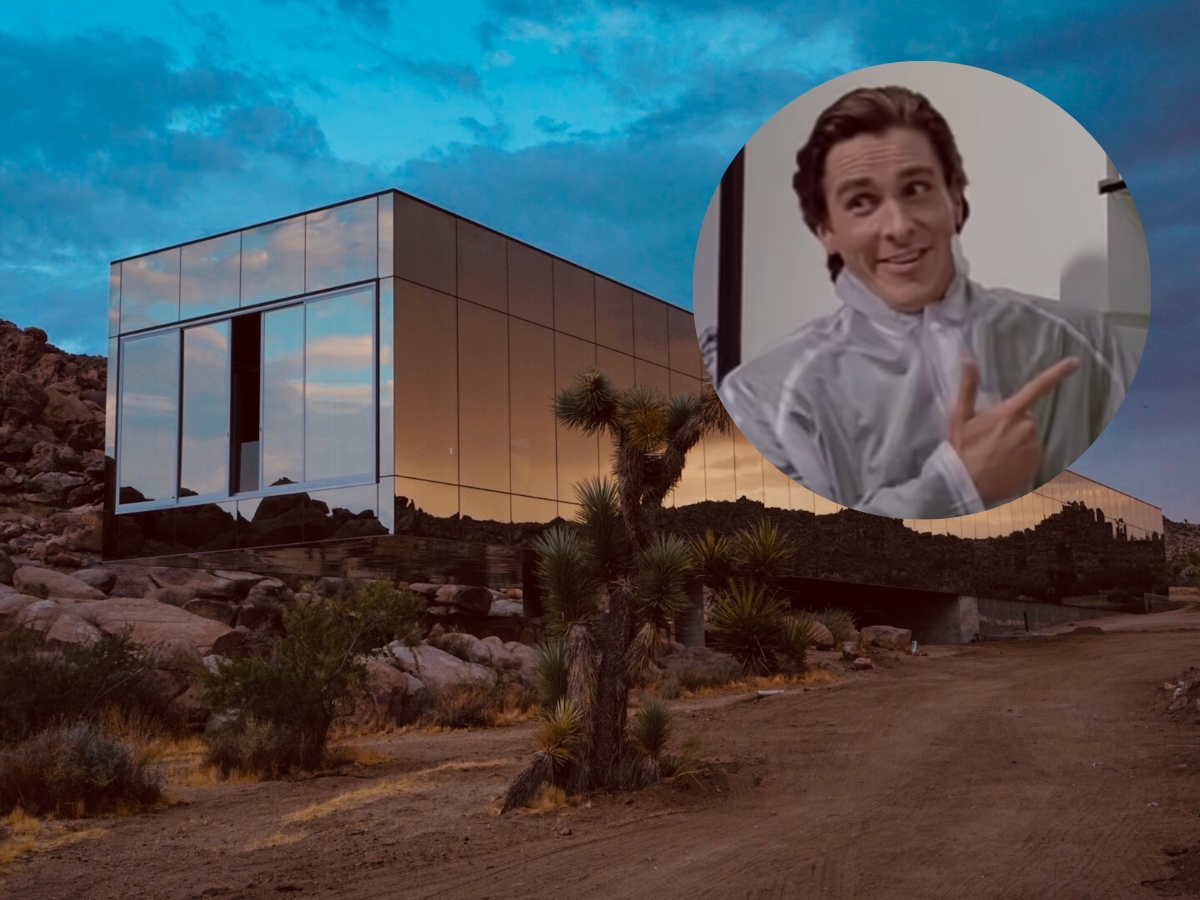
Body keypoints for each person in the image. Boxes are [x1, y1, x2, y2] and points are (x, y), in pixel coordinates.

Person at [719, 85, 1136, 519]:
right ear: (826, 230)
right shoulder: (762, 398)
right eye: (861, 202)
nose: (898, 226)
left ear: (955, 199)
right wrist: (955, 484)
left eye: (915, 188)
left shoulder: (1086, 341)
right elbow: (813, 536)